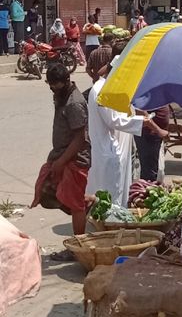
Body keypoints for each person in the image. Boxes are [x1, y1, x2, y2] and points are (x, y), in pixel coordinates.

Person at [86, 52, 168, 207]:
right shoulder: (102, 91)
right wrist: (145, 122)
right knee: (111, 194)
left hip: (113, 147)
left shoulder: (106, 87)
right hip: (108, 150)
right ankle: (111, 225)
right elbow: (115, 120)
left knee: (115, 189)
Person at [31, 63, 91, 236]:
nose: (53, 88)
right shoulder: (60, 96)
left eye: (56, 85)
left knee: (74, 203)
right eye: (50, 85)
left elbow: (80, 138)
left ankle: (79, 243)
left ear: (66, 81)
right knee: (48, 192)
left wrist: (61, 161)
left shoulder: (74, 103)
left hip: (75, 159)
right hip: (60, 156)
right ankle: (86, 204)